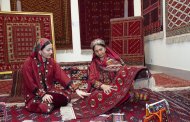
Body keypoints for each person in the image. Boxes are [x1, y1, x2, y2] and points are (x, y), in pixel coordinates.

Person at [61, 38, 150, 120]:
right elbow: (91, 80)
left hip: (115, 86)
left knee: (118, 92)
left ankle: (130, 96)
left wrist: (121, 82)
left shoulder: (113, 60)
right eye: (96, 51)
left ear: (105, 48)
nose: (99, 53)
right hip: (100, 88)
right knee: (97, 97)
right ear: (94, 53)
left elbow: (124, 71)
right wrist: (103, 86)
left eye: (101, 49)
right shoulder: (93, 64)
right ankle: (131, 96)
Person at [22, 38, 90, 114]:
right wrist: (42, 95)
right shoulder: (28, 63)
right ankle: (42, 103)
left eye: (51, 49)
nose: (51, 52)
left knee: (66, 98)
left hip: (49, 92)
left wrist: (76, 89)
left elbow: (62, 76)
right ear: (40, 51)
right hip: (34, 95)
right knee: (46, 108)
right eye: (48, 50)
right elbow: (30, 84)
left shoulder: (51, 62)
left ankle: (48, 102)